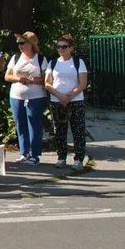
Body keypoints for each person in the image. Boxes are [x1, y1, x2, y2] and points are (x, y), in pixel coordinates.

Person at [45, 35, 89, 170]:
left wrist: (69, 97)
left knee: (78, 130)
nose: (61, 49)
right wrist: (60, 96)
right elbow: (47, 83)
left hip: (75, 100)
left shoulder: (78, 62)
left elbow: (83, 83)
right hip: (57, 101)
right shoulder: (53, 63)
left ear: (71, 48)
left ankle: (79, 159)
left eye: (64, 46)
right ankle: (61, 158)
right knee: (59, 131)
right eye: (59, 46)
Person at [5, 31, 49, 165]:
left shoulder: (40, 59)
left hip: (36, 96)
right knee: (20, 124)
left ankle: (35, 155)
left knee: (34, 124)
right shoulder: (16, 57)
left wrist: (32, 80)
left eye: (22, 43)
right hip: (16, 96)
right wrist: (19, 78)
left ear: (31, 44)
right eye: (18, 43)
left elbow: (46, 79)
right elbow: (7, 76)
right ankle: (24, 153)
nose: (20, 46)